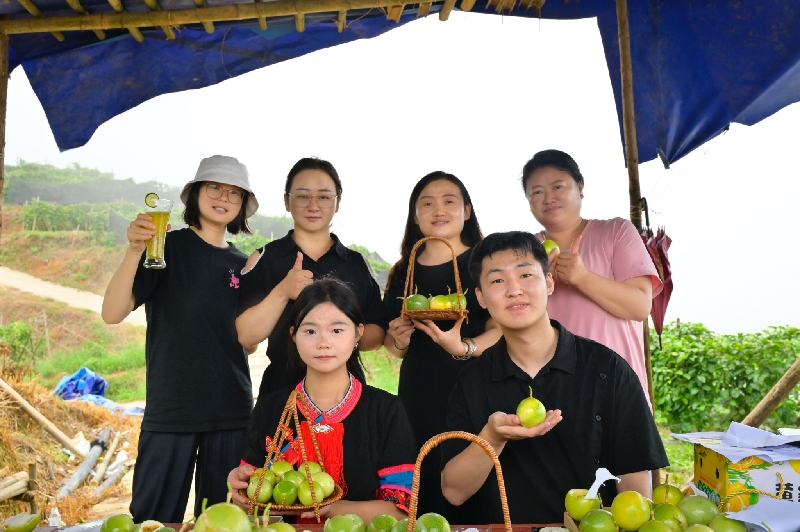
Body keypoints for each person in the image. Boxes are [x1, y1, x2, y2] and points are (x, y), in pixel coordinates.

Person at [440, 231, 668, 525]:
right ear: (481, 298)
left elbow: (635, 481)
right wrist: (492, 438)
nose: (514, 290)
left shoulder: (608, 370)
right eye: (497, 280)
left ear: (549, 283)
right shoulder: (471, 380)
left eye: (526, 275)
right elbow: (454, 491)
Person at [101, 155, 258, 522]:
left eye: (235, 193)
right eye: (214, 186)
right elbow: (112, 312)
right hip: (171, 409)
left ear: (242, 206)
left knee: (223, 522)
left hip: (230, 410)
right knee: (151, 520)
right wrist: (134, 250)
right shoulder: (164, 248)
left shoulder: (243, 264)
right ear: (195, 194)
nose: (224, 197)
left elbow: (247, 342)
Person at [228, 278, 417, 524]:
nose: (323, 342)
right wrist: (240, 491)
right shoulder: (269, 409)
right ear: (293, 336)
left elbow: (402, 510)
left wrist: (329, 508)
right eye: (310, 331)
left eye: (337, 330)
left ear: (358, 333)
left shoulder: (386, 411)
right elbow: (253, 509)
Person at [382, 171, 501, 519]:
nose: (439, 209)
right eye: (427, 202)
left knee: (473, 475)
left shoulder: (485, 262)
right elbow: (393, 345)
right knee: (423, 475)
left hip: (475, 386)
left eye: (450, 201)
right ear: (414, 214)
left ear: (466, 210)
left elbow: (501, 329)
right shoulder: (404, 270)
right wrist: (399, 341)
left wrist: (463, 347)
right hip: (419, 389)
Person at [520, 149, 662, 407]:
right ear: (529, 201)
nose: (548, 198)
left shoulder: (616, 231)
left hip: (618, 392)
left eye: (558, 186)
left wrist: (582, 277)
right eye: (537, 192)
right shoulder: (524, 252)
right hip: (550, 398)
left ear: (580, 187)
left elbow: (640, 306)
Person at [236, 157, 385, 398]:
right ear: (287, 201)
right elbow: (245, 336)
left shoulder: (357, 263)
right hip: (281, 394)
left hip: (347, 396)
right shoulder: (264, 258)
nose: (313, 205)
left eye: (324, 197)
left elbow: (377, 335)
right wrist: (283, 291)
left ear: (337, 204)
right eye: (303, 196)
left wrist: (338, 334)